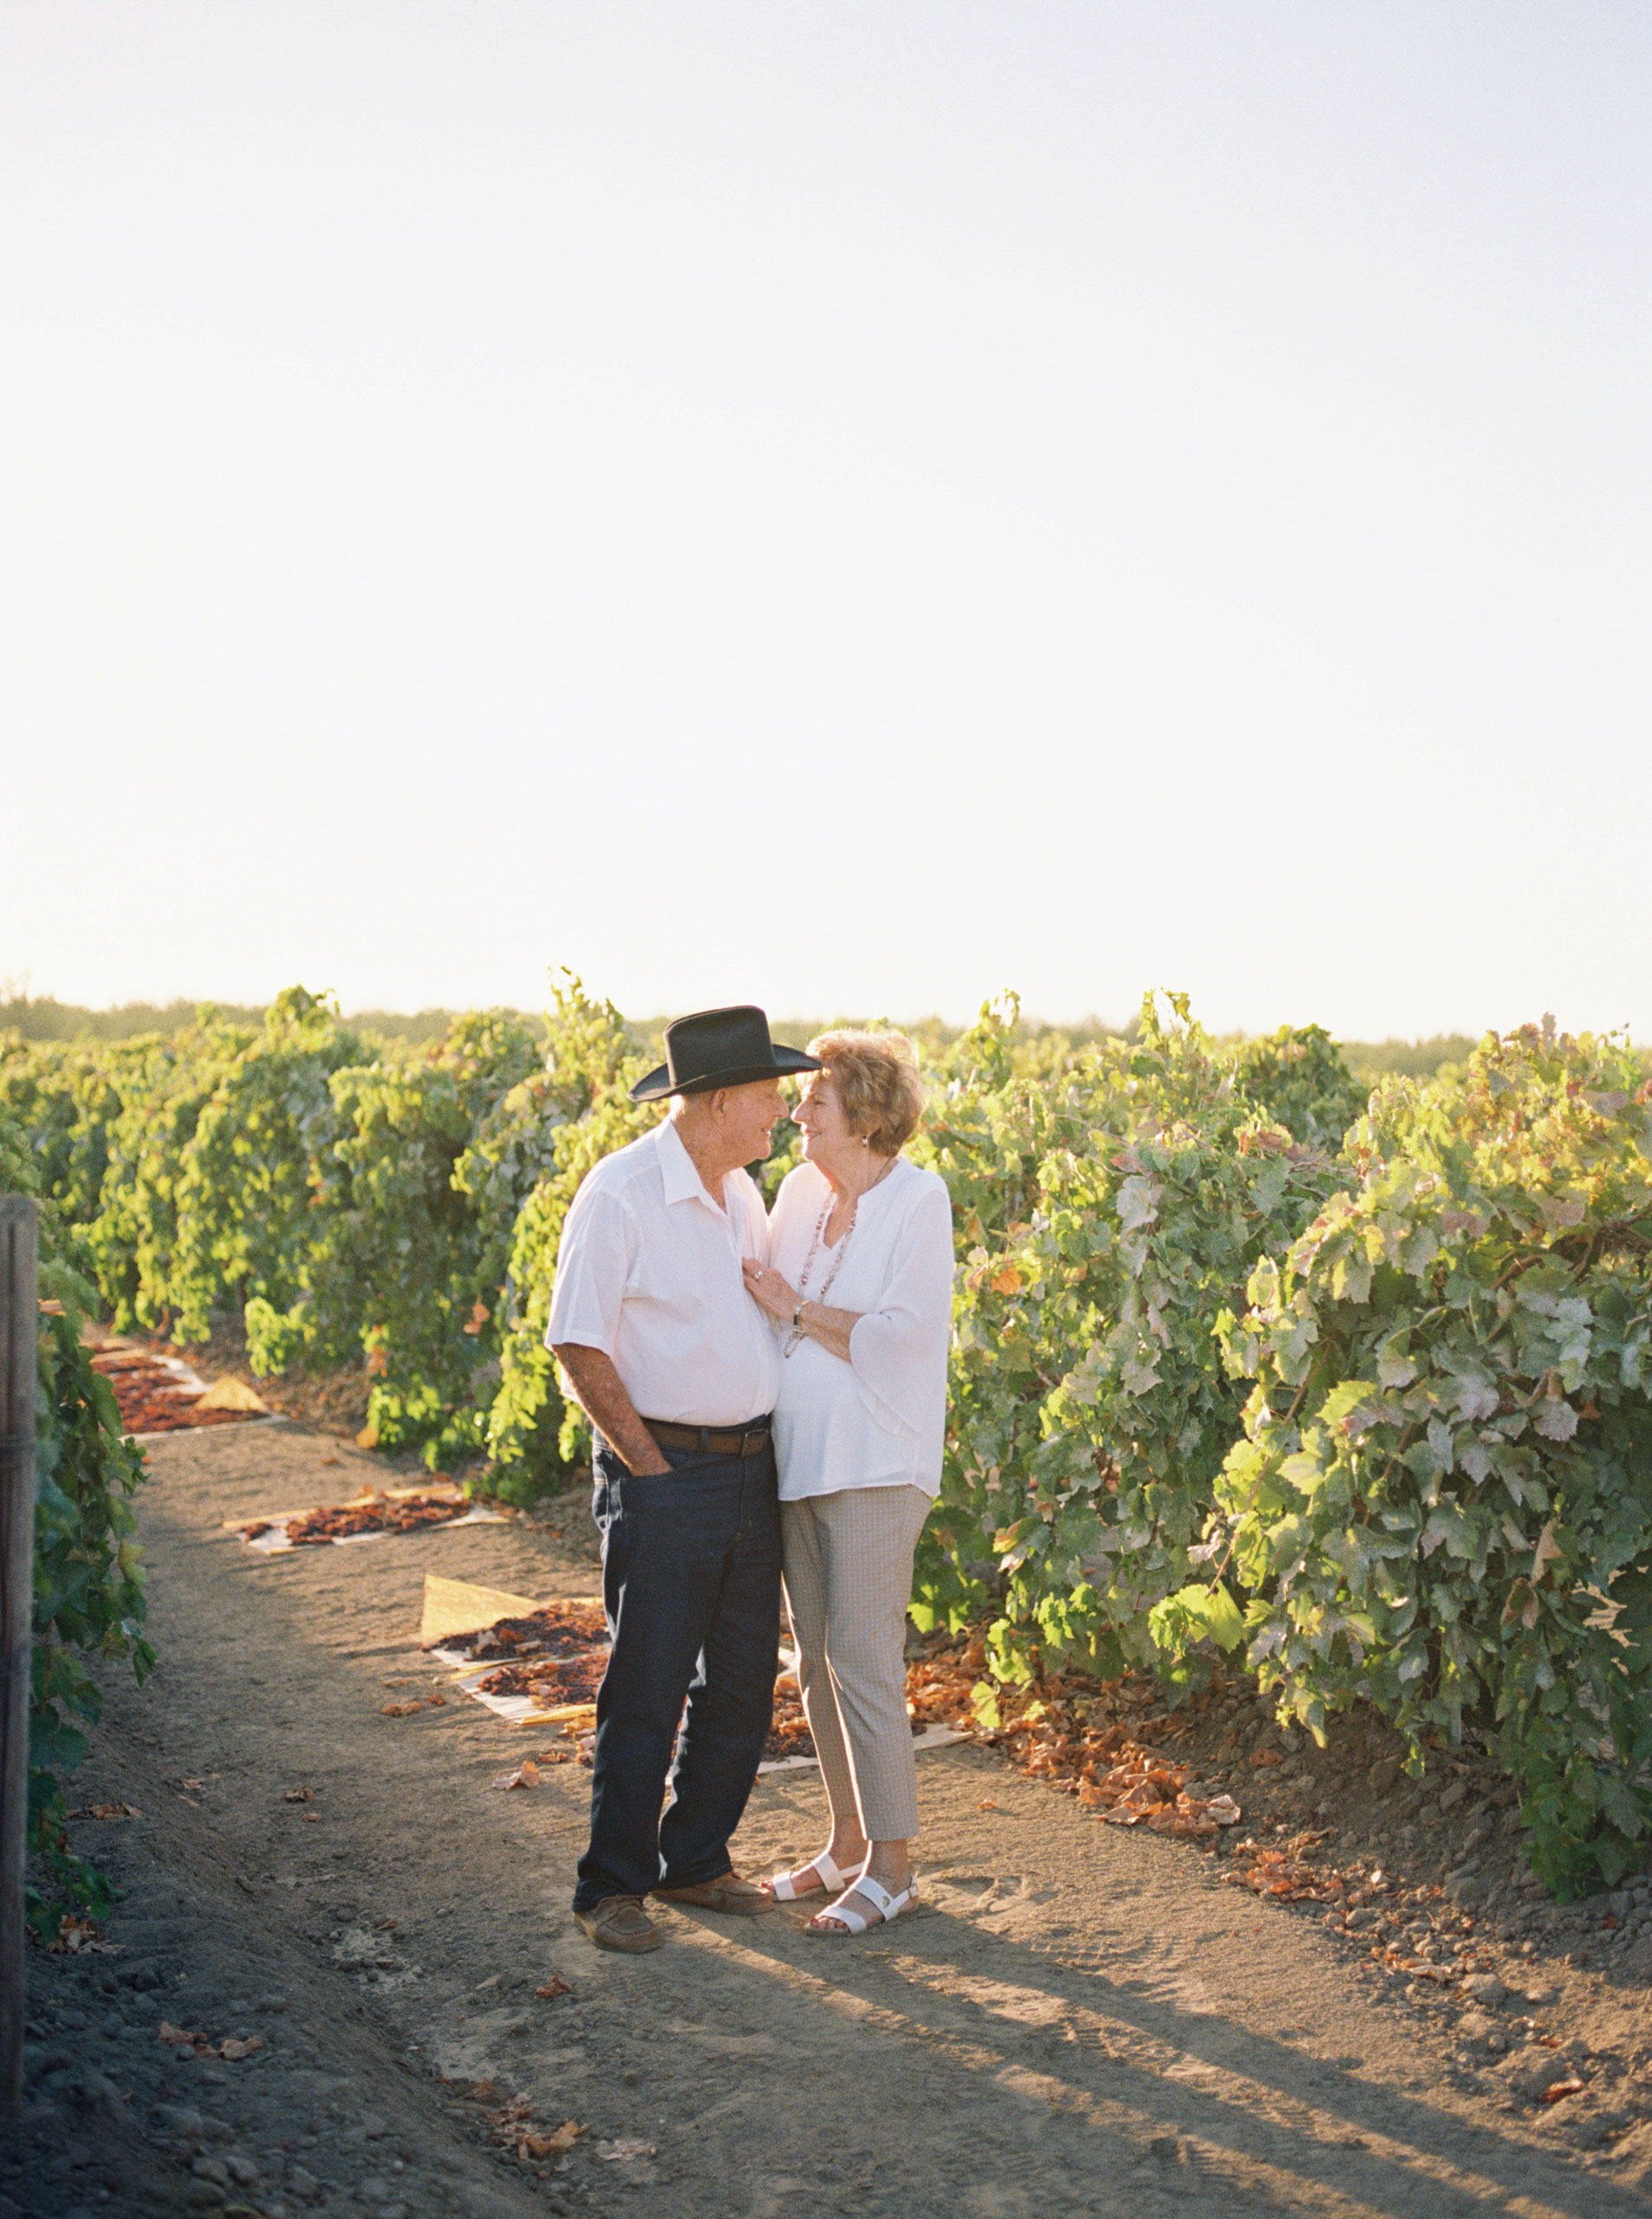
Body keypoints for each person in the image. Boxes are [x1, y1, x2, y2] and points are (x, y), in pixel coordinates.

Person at [547, 1004, 822, 1954]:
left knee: (743, 1683)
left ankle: (695, 1861)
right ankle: (611, 1886)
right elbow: (576, 1344)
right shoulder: (619, 1193)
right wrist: (650, 1472)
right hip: (664, 1472)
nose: (782, 1112)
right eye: (768, 1094)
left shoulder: (741, 1192)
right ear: (711, 1102)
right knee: (649, 1682)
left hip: (750, 1469)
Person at [741, 1031, 953, 1935]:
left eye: (813, 1101)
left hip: (876, 1458)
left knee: (863, 1659)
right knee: (814, 1663)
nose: (796, 1113)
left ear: (862, 1114)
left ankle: (894, 1866)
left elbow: (903, 1336)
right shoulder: (795, 1193)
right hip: (801, 1457)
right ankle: (845, 1842)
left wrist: (796, 1309)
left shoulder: (916, 1200)